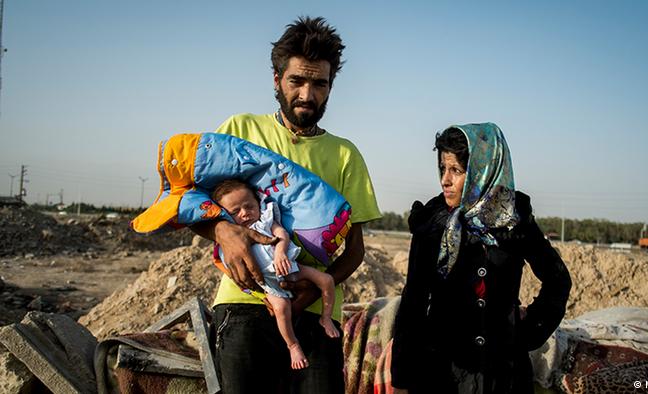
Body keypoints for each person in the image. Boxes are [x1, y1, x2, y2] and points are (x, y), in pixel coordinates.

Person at [192, 16, 382, 393]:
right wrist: (223, 231)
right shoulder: (240, 131)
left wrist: (311, 294)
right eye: (297, 81)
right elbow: (192, 201)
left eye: (319, 84)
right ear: (277, 79)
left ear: (331, 87)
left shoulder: (346, 156)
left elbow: (355, 250)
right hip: (243, 304)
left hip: (315, 315)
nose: (307, 95)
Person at [390, 123, 572, 394]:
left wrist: (527, 329)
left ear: (483, 172)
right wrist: (402, 377)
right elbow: (414, 299)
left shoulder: (514, 221)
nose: (445, 180)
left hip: (503, 375)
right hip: (442, 372)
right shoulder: (433, 222)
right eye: (443, 169)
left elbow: (557, 279)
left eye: (457, 171)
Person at [211, 178, 340, 370]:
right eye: (235, 211)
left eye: (249, 206)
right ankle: (293, 345)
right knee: (281, 309)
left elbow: (281, 234)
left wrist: (280, 252)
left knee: (327, 280)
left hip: (291, 267)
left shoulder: (265, 221)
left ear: (258, 204)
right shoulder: (231, 237)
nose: (245, 213)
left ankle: (326, 317)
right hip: (270, 282)